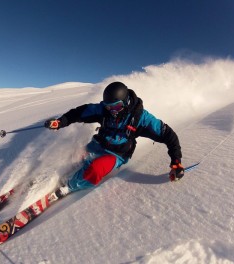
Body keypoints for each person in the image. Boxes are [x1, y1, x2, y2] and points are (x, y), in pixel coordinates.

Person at [44, 82, 184, 199]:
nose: (112, 111)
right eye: (108, 106)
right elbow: (79, 112)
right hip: (96, 145)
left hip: (115, 155)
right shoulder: (104, 110)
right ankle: (50, 178)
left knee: (95, 169)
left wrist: (176, 162)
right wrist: (60, 122)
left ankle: (69, 187)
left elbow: (169, 135)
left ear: (125, 102)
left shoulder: (141, 118)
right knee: (74, 158)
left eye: (116, 106)